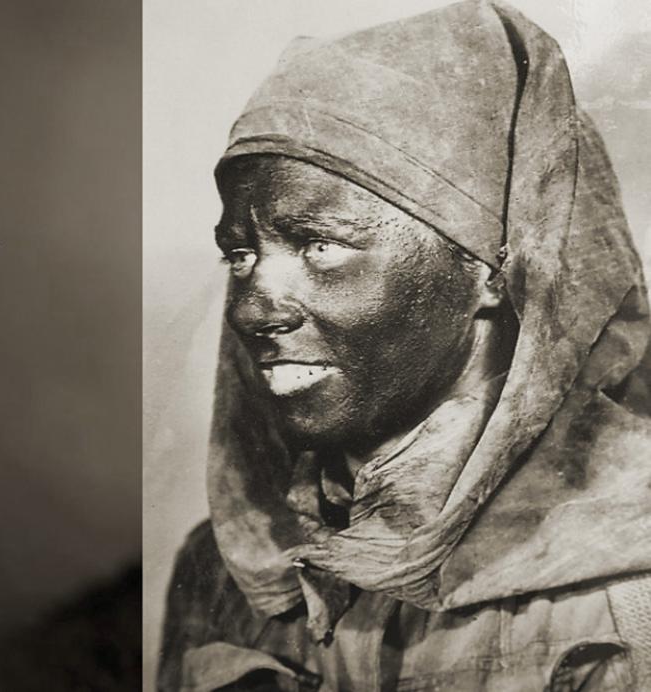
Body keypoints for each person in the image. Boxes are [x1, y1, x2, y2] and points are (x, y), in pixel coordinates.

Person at [159, 2, 651, 690]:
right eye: (240, 256)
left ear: (492, 268)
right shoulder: (226, 573)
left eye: (320, 246)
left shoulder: (627, 589)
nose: (251, 309)